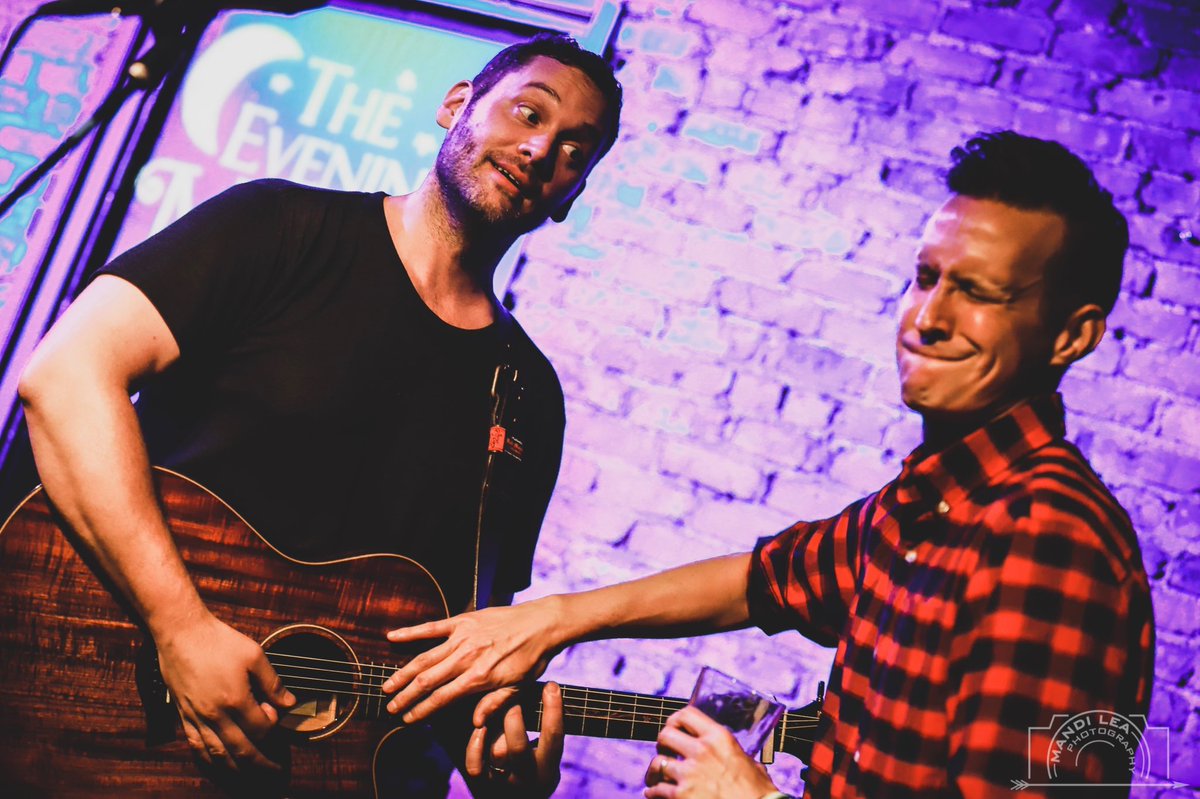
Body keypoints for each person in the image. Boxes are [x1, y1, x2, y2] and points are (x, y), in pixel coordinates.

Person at [379, 131, 1155, 798]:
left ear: (1072, 336)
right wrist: (548, 621)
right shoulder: (930, 505)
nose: (929, 317)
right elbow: (763, 578)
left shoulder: (1048, 538)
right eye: (925, 278)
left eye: (980, 292)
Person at [15, 32, 621, 798]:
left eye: (575, 152)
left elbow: (462, 648)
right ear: (457, 105)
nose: (540, 149)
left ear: (573, 197)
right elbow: (66, 375)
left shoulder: (529, 395)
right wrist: (180, 628)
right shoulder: (278, 227)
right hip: (97, 725)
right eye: (528, 113)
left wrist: (499, 777)